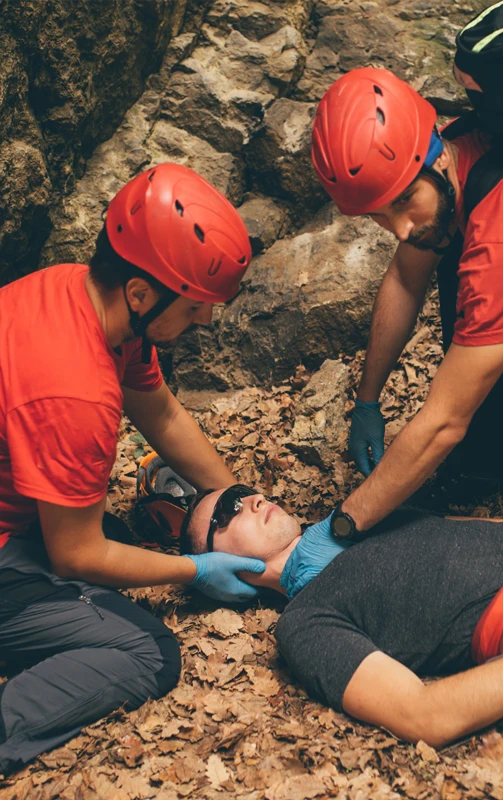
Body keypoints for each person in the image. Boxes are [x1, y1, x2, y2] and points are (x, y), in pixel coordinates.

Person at [0, 163, 267, 776]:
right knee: (147, 651)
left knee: (123, 541)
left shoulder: (86, 297)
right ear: (143, 294)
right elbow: (75, 555)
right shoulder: (76, 388)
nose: (205, 320)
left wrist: (232, 494)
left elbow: (164, 415)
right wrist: (195, 568)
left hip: (20, 517)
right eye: (197, 307)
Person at [307, 67, 503, 541]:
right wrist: (368, 400)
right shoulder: (463, 145)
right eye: (380, 215)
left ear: (436, 160)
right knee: (440, 240)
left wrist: (344, 525)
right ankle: (486, 467)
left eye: (404, 201)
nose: (399, 228)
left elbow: (444, 421)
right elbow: (405, 278)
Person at [181, 484, 503, 747]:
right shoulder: (306, 621)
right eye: (226, 513)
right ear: (222, 573)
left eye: (241, 492)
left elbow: (496, 531)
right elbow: (424, 715)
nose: (250, 500)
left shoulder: (360, 519)